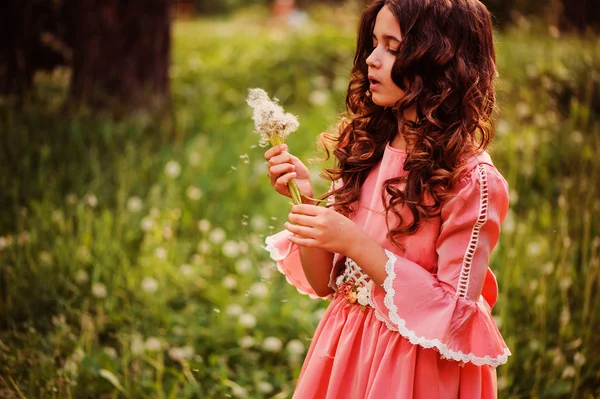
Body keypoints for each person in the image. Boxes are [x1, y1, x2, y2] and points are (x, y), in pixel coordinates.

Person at [263, 0, 510, 397]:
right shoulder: (367, 147)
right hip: (347, 347)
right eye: (373, 43)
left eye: (392, 47)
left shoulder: (471, 180)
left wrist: (355, 242)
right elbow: (325, 283)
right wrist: (306, 203)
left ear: (441, 63)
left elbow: (457, 314)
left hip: (416, 367)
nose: (371, 61)